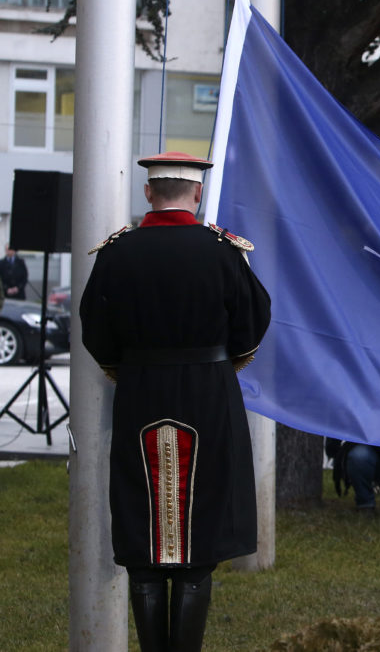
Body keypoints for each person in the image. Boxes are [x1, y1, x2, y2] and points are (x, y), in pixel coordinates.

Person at [79, 151, 272, 652]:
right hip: (209, 393)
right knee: (201, 534)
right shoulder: (224, 251)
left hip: (140, 389)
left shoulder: (115, 253)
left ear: (148, 192)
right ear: (197, 193)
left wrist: (132, 370)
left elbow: (95, 333)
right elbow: (253, 326)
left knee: (144, 534)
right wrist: (214, 367)